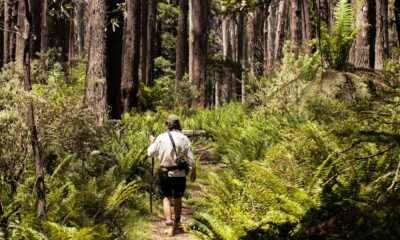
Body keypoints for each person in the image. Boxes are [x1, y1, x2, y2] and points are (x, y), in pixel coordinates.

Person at [147, 114, 196, 237]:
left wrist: (152, 142)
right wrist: (193, 170)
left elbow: (150, 153)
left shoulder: (161, 137)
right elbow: (190, 157)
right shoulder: (184, 138)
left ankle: (169, 227)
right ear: (178, 125)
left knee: (166, 198)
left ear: (167, 125)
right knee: (178, 198)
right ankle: (177, 223)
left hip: (164, 173)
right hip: (180, 174)